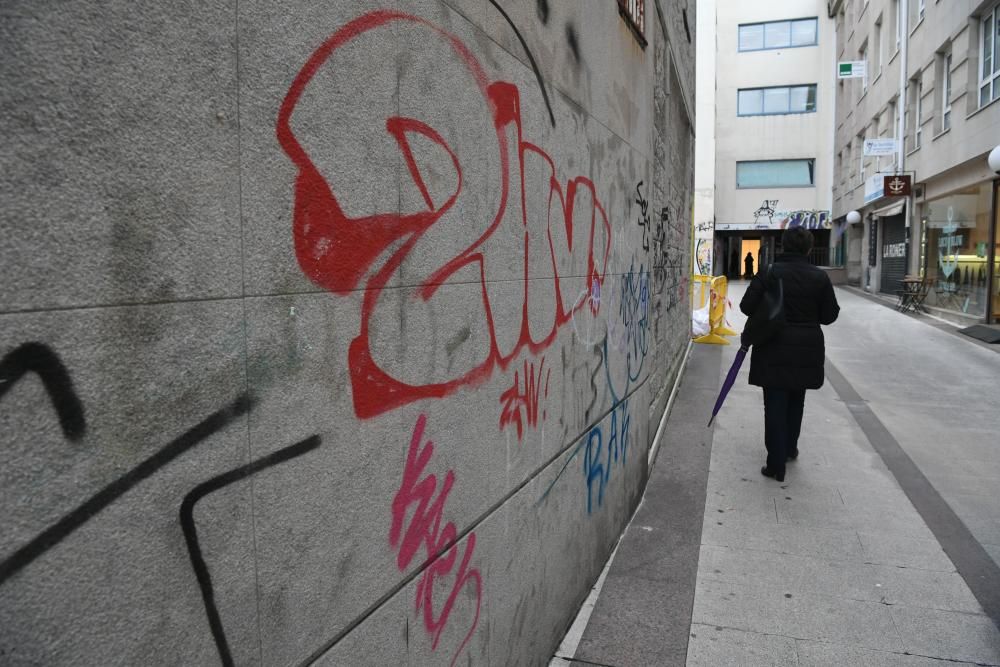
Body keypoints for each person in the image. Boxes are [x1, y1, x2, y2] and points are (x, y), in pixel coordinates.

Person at [739, 227, 840, 482]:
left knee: (774, 402)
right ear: (808, 249)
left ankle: (775, 464)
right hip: (806, 347)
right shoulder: (819, 277)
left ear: (783, 246)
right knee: (797, 399)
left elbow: (745, 306)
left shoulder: (770, 272)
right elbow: (829, 315)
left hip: (772, 344)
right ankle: (789, 448)